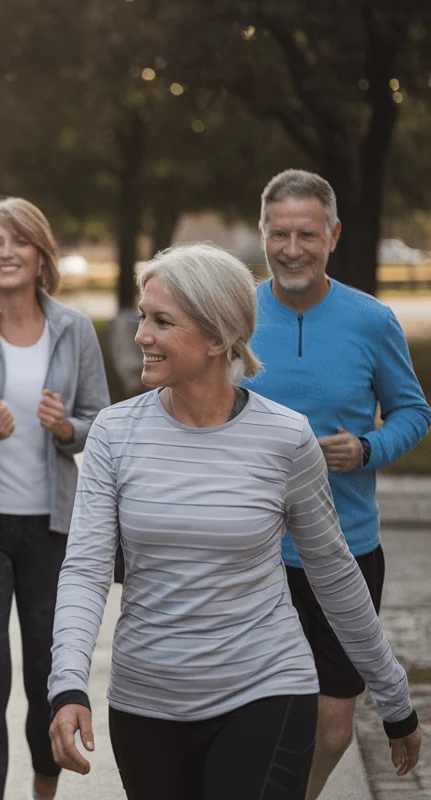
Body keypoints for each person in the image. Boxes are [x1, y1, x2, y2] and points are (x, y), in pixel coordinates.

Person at [48, 243, 421, 800]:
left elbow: (334, 572)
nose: (141, 335)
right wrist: (68, 684)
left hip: (266, 690)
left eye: (162, 321)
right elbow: (85, 569)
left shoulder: (286, 437)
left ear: (217, 337)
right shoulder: (113, 433)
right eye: (143, 317)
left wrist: (393, 697)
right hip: (146, 699)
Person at [245, 169, 431, 799]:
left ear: (333, 235)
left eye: (307, 234)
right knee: (256, 716)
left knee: (331, 729)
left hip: (345, 550)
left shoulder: (372, 321)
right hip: (251, 552)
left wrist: (368, 448)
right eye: (279, 234)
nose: (292, 249)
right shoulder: (234, 313)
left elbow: (413, 412)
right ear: (262, 233)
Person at [0, 197, 109, 800]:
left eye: (19, 241)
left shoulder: (74, 330)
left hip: (53, 532)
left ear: (40, 255)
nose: (6, 253)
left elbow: (101, 423)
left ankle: (43, 790)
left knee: (45, 680)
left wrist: (67, 428)